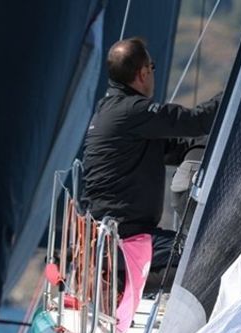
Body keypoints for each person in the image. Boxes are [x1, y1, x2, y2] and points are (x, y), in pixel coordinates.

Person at [82, 37, 221, 287]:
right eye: (151, 67)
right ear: (143, 73)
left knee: (197, 251)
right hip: (125, 240)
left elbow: (173, 148)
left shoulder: (109, 110)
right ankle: (118, 283)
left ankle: (116, 278)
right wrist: (240, 88)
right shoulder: (133, 111)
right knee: (206, 257)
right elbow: (198, 120)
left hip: (112, 237)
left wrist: (204, 148)